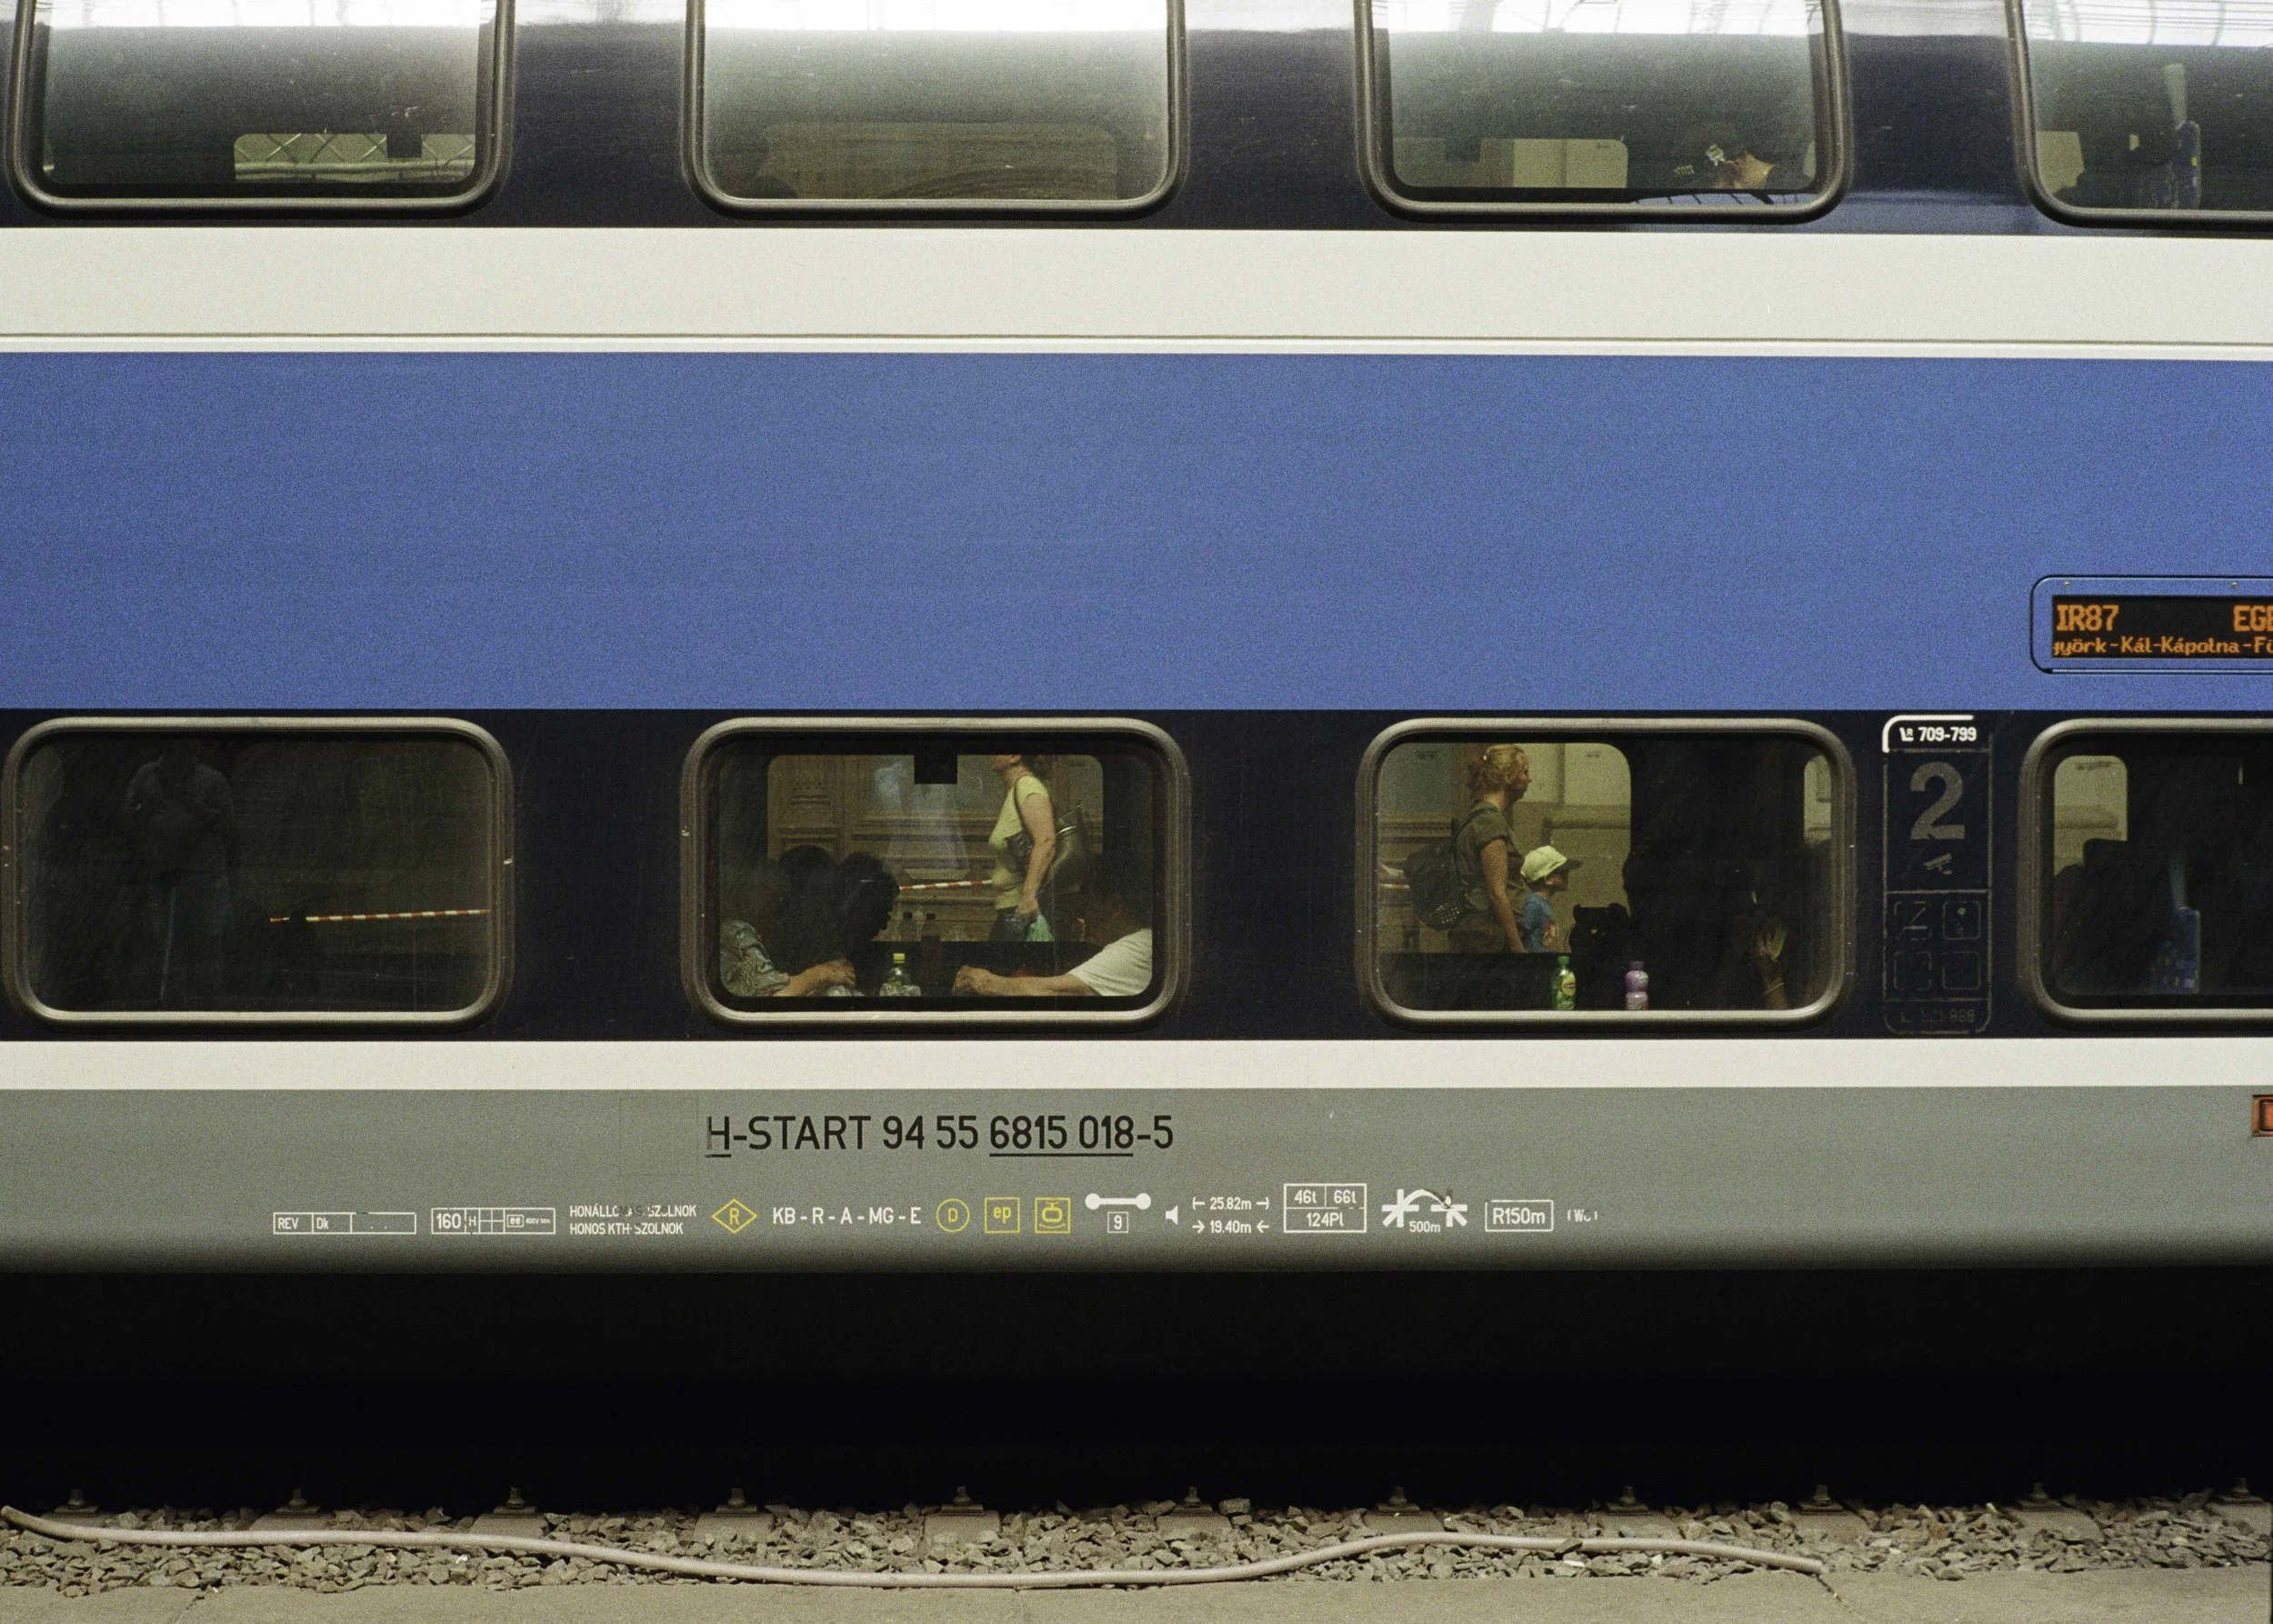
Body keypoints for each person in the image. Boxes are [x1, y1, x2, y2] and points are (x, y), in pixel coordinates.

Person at [122, 737, 235, 1003]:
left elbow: (229, 827)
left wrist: (193, 804)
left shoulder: (212, 779)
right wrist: (145, 811)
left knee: (206, 941)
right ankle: (170, 1000)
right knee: (165, 942)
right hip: (161, 871)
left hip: (204, 874)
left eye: (191, 747)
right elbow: (126, 815)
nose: (187, 752)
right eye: (179, 746)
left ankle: (208, 1002)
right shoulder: (146, 775)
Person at [955, 852, 1152, 998]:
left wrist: (980, 981)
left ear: (1114, 906)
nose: (1079, 909)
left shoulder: (1136, 947)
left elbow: (1052, 991)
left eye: (1087, 896)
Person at [718, 857, 854, 997]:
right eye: (773, 895)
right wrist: (822, 974)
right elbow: (776, 996)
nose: (778, 905)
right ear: (750, 893)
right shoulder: (736, 931)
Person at [1447, 744, 1532, 954]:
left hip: (1483, 931)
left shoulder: (1480, 815)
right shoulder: (1490, 822)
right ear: (1509, 777)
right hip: (1488, 936)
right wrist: (1516, 946)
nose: (1529, 779)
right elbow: (1497, 893)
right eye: (1524, 772)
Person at [986, 753, 1056, 941]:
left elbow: (1046, 841)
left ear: (1014, 757)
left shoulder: (1028, 787)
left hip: (1022, 911)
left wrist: (1028, 897)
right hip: (1011, 908)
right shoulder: (1015, 789)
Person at [1517, 845, 1580, 953]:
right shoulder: (1534, 904)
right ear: (1549, 879)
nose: (1567, 874)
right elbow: (1520, 934)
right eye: (1563, 872)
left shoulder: (1542, 903)